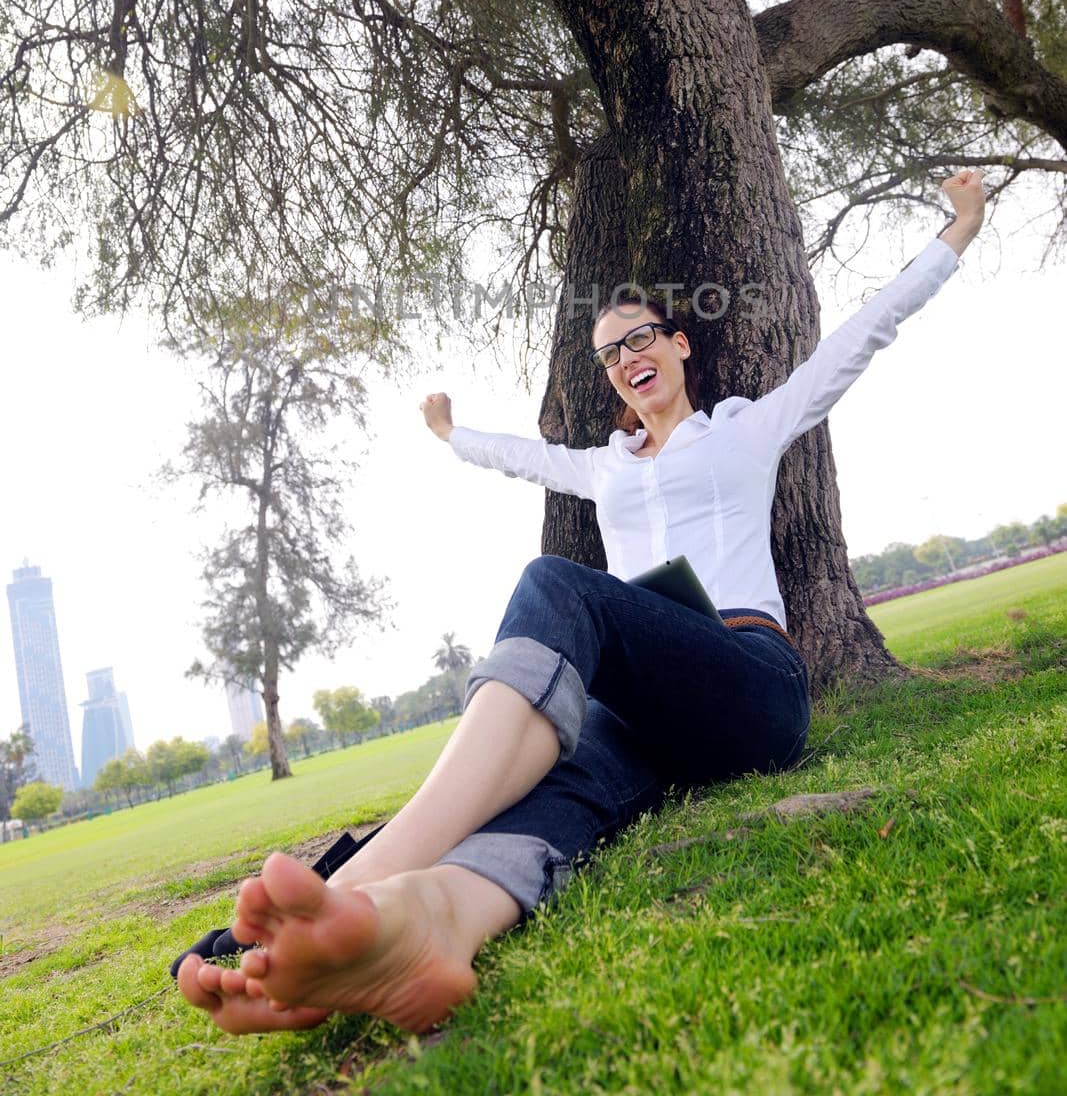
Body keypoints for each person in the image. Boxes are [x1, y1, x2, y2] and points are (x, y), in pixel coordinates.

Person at [176, 169, 986, 1036]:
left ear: (678, 346)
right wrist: (451, 435)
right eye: (609, 353)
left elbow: (859, 336)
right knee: (557, 791)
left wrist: (961, 228)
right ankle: (422, 924)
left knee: (555, 582)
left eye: (639, 339)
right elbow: (520, 456)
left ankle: (355, 881)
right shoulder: (602, 469)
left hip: (746, 681)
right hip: (638, 714)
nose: (627, 359)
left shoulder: (748, 429)